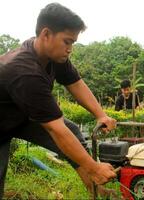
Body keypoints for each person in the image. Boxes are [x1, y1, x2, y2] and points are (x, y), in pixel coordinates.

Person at [0, 3, 117, 198]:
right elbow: (55, 128)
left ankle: (96, 190)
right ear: (46, 34)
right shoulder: (25, 71)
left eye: (73, 43)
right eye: (67, 42)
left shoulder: (53, 55)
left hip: (20, 116)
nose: (70, 49)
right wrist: (94, 167)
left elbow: (76, 84)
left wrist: (100, 114)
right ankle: (94, 176)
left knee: (72, 131)